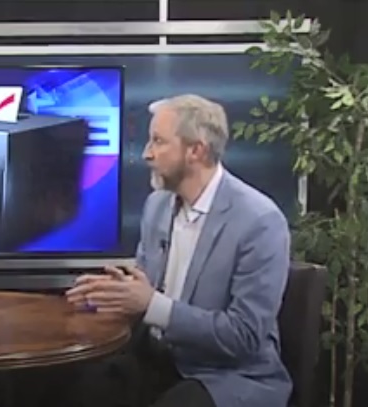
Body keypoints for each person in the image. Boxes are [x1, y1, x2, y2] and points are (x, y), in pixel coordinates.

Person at [66, 94, 292, 407]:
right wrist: (110, 295)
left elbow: (245, 336)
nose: (146, 153)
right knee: (83, 385)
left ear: (195, 151)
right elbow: (145, 287)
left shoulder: (259, 221)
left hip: (228, 375)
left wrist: (152, 305)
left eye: (158, 141)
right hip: (159, 360)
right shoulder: (157, 205)